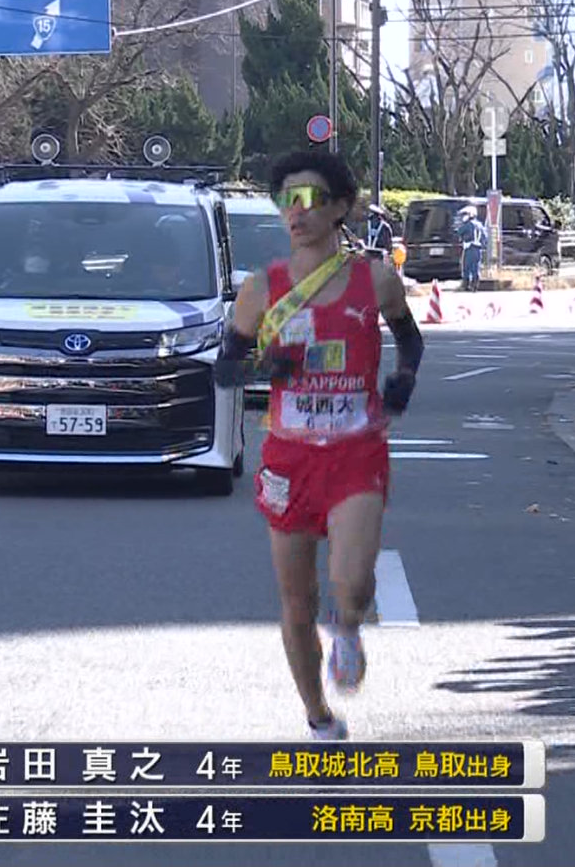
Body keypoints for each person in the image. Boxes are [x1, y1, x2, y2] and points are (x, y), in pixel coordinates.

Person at [214, 149, 423, 740]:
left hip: (356, 452)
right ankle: (318, 716)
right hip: (290, 458)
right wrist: (266, 366)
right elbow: (225, 372)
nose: (298, 212)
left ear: (340, 209)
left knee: (351, 584)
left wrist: (402, 382)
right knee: (296, 600)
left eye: (312, 200)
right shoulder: (262, 290)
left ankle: (349, 625)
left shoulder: (375, 280)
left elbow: (411, 341)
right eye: (289, 200)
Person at [457, 205, 488, 292]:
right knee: (476, 267)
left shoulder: (468, 225)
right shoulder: (480, 225)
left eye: (465, 214)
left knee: (466, 267)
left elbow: (459, 232)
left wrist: (462, 238)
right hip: (478, 249)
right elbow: (485, 237)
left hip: (469, 248)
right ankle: (475, 285)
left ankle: (465, 285)